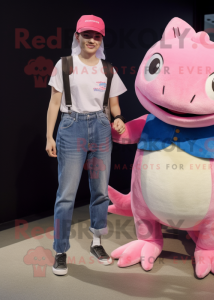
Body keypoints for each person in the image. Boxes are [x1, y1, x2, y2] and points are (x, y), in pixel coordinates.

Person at [45, 15, 127, 276]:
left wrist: (118, 119)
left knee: (100, 190)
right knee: (66, 194)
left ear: (101, 39)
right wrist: (49, 136)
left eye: (97, 36)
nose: (92, 40)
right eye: (87, 34)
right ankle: (60, 250)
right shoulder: (64, 64)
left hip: (101, 127)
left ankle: (97, 242)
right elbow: (55, 103)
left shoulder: (107, 69)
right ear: (77, 36)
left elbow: (114, 105)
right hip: (71, 126)